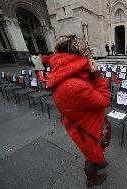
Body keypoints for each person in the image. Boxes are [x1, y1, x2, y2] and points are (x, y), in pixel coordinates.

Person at [46, 35, 110, 187]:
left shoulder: (63, 74)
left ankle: (99, 162)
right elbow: (105, 100)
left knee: (92, 152)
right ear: (82, 55)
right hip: (87, 129)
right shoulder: (75, 85)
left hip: (78, 125)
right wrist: (97, 75)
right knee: (91, 155)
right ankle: (92, 179)